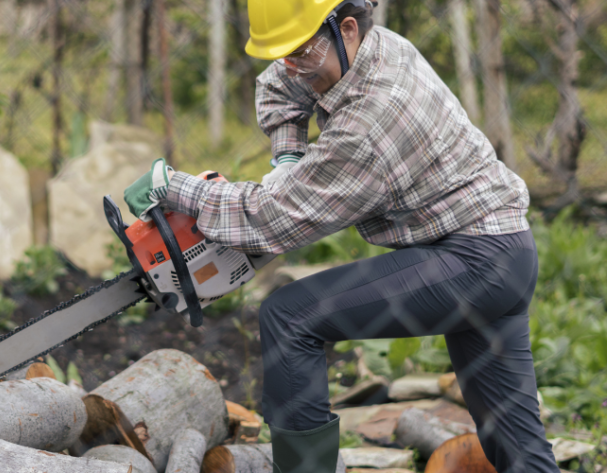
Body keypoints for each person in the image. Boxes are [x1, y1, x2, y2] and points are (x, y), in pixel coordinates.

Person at [124, 0, 559, 472]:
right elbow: (278, 84)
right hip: (501, 248)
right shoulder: (375, 47)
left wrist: (178, 188)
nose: (294, 67)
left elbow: (275, 221)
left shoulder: (372, 123)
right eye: (285, 52)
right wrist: (287, 158)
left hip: (476, 261)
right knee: (517, 451)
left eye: (302, 53)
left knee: (291, 317)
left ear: (346, 27)